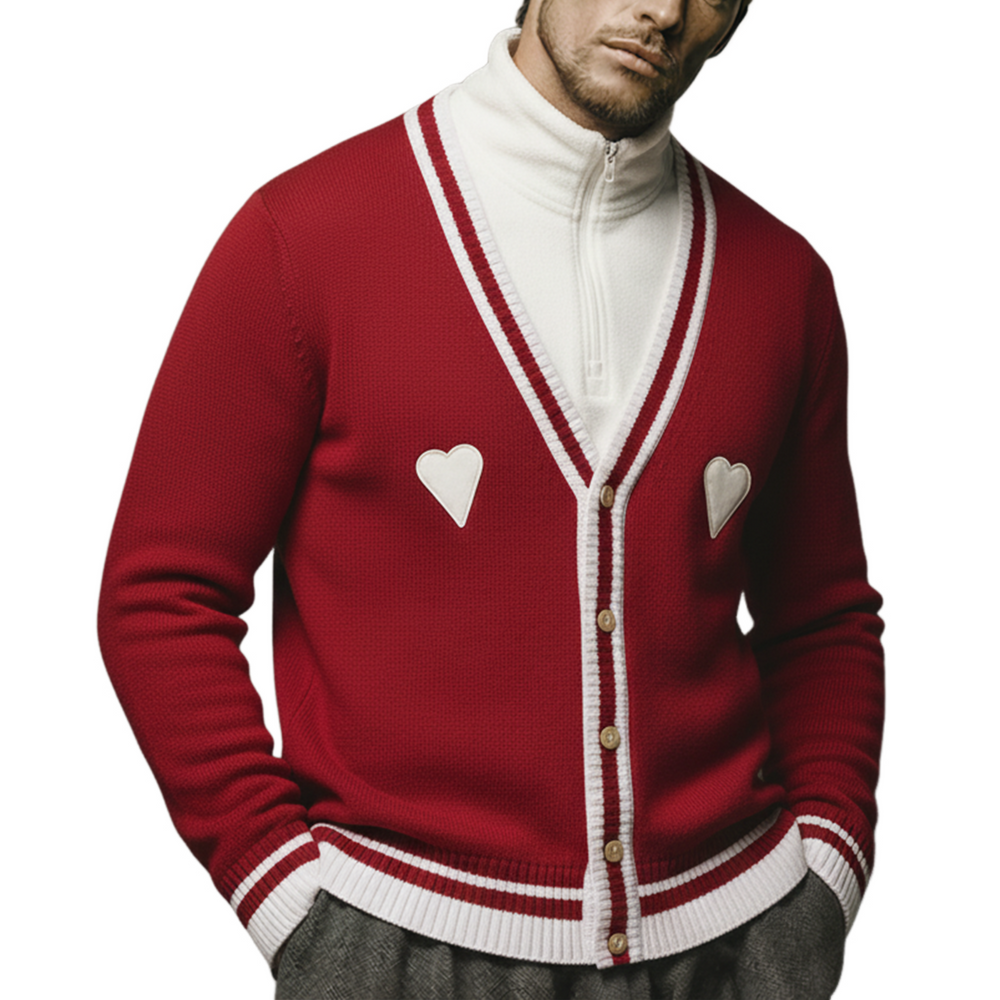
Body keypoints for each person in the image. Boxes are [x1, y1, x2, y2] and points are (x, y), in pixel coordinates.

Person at [98, 1, 884, 997]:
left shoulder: (783, 282)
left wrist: (824, 880)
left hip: (733, 934)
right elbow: (160, 593)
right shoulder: (305, 237)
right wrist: (290, 902)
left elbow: (820, 617)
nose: (661, 9)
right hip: (401, 939)